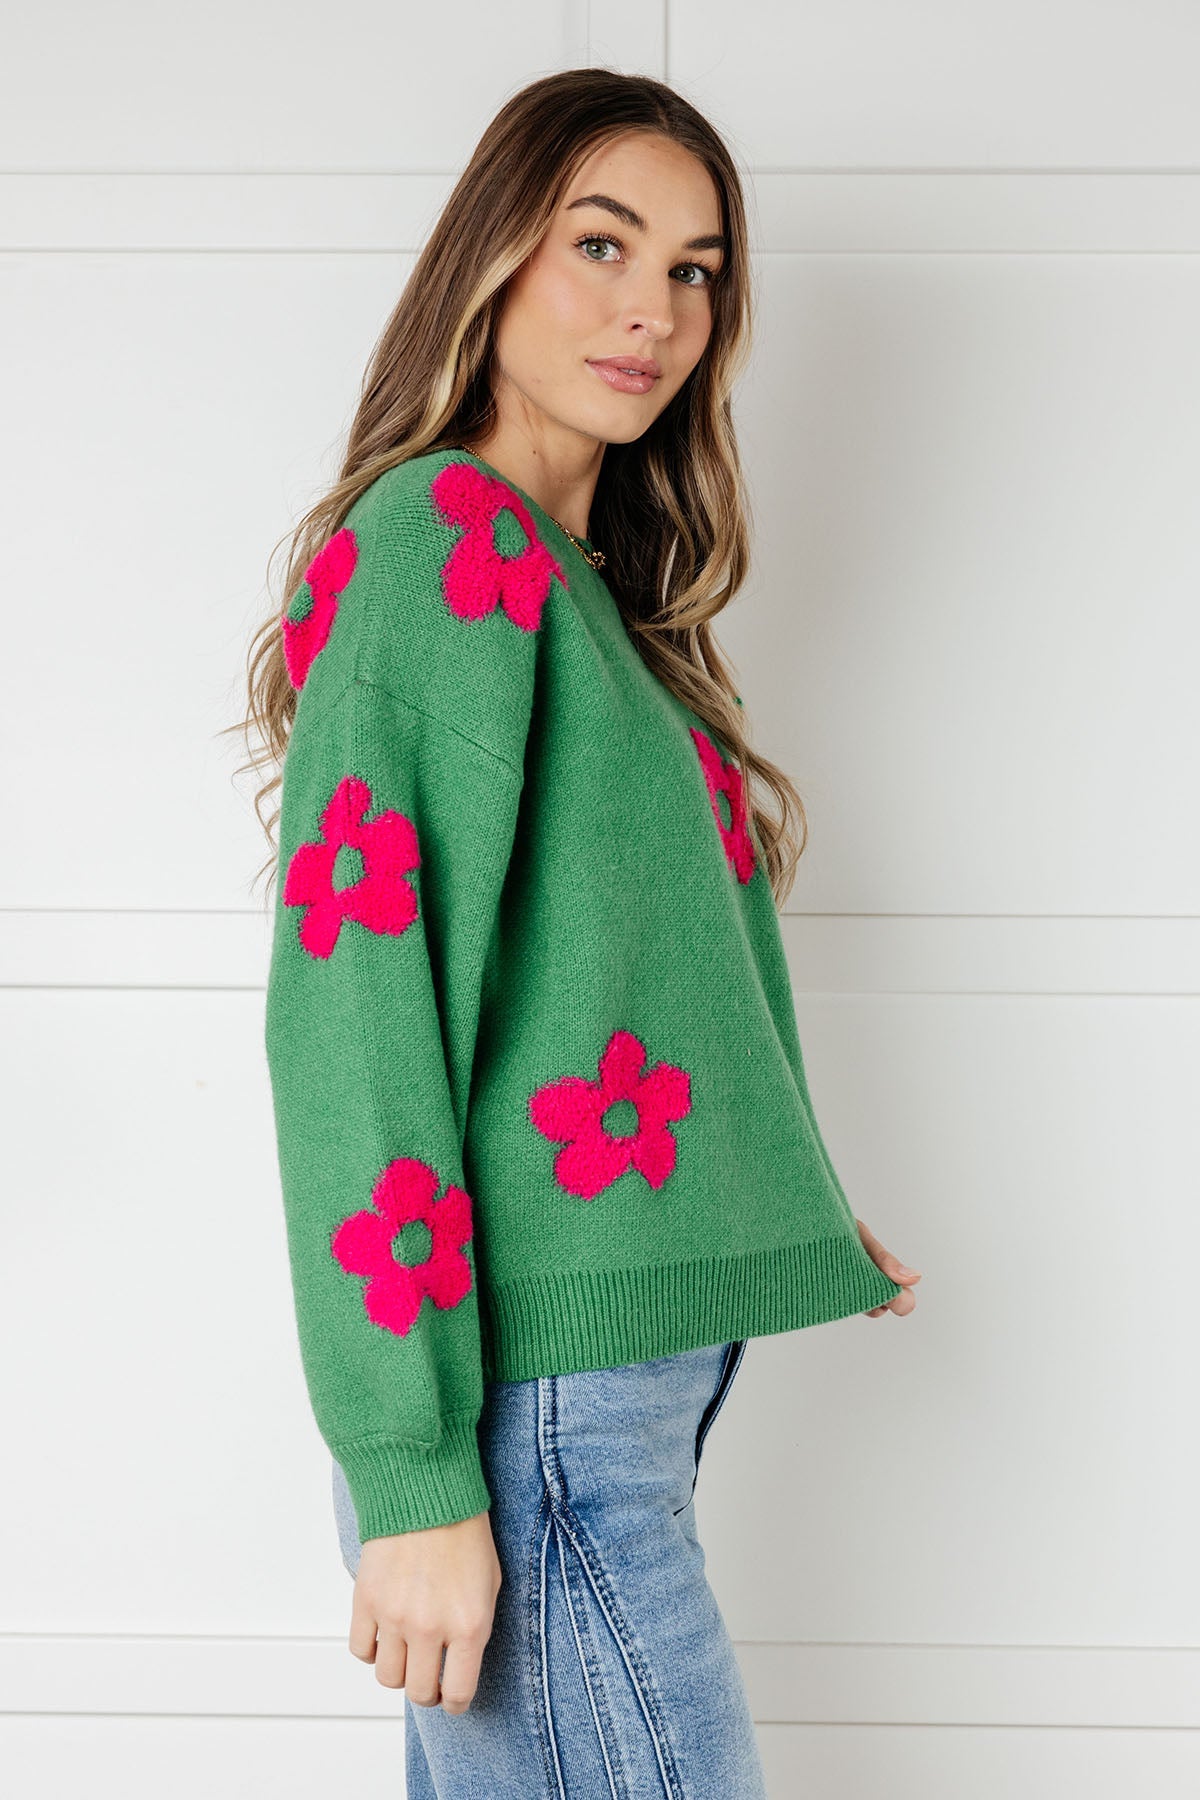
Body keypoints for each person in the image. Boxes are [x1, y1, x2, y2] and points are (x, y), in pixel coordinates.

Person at [236, 67, 922, 1798]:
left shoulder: (587, 593)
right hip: (538, 1417)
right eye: (599, 242)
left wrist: (787, 1205)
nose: (654, 309)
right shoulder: (437, 546)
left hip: (597, 1406)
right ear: (491, 257)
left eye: (696, 269)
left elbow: (643, 977)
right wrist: (413, 1480)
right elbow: (357, 1023)